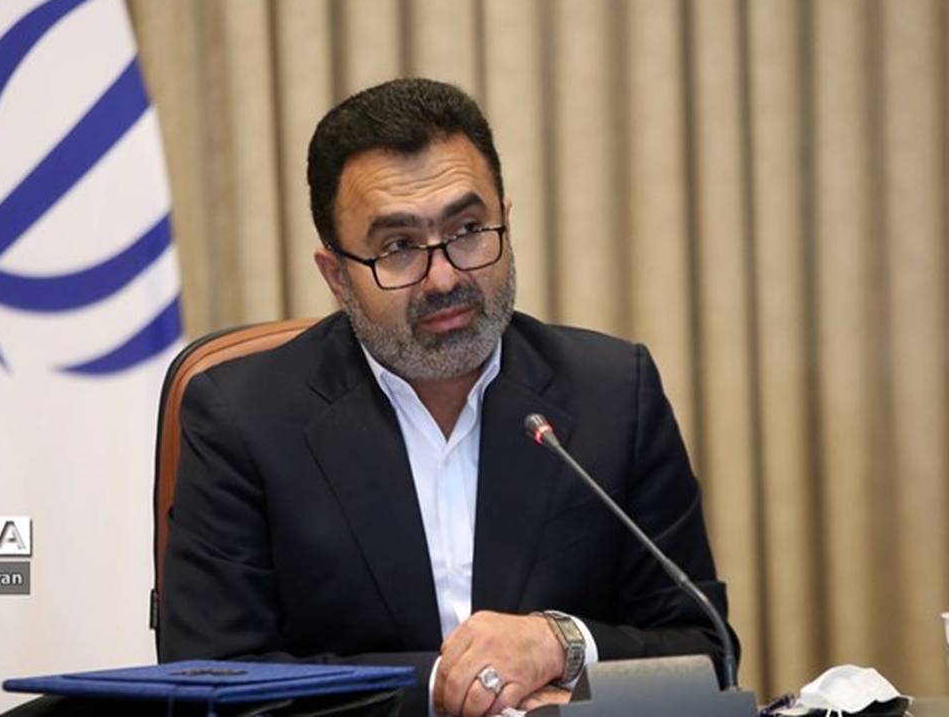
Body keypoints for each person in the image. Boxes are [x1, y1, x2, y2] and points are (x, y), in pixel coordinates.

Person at [160, 78, 737, 717]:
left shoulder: (614, 393)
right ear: (336, 276)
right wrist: (437, 687)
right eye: (399, 247)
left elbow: (706, 654)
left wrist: (561, 643)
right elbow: (209, 680)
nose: (444, 277)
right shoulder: (243, 419)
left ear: (506, 221)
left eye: (467, 230)